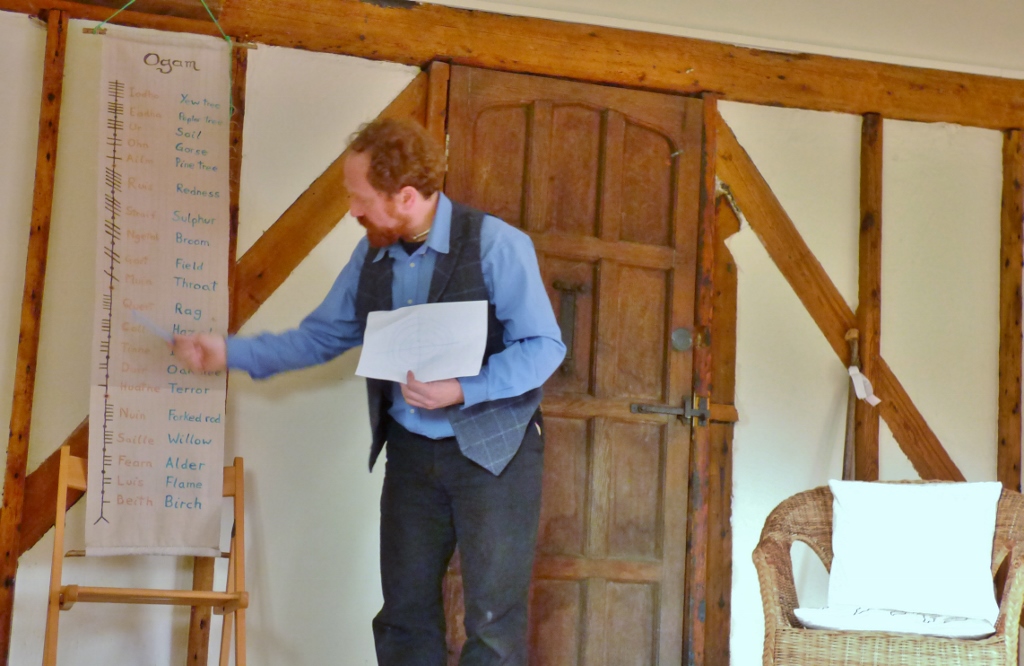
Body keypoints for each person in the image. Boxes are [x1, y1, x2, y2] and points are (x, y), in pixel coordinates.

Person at [173, 117, 565, 666]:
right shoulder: (370, 256)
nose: (351, 210)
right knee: (403, 618)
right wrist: (227, 352)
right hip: (410, 455)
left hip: (497, 453)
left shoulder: (498, 244)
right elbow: (320, 338)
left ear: (405, 197)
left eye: (360, 198)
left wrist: (463, 388)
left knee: (493, 624)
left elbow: (544, 347)